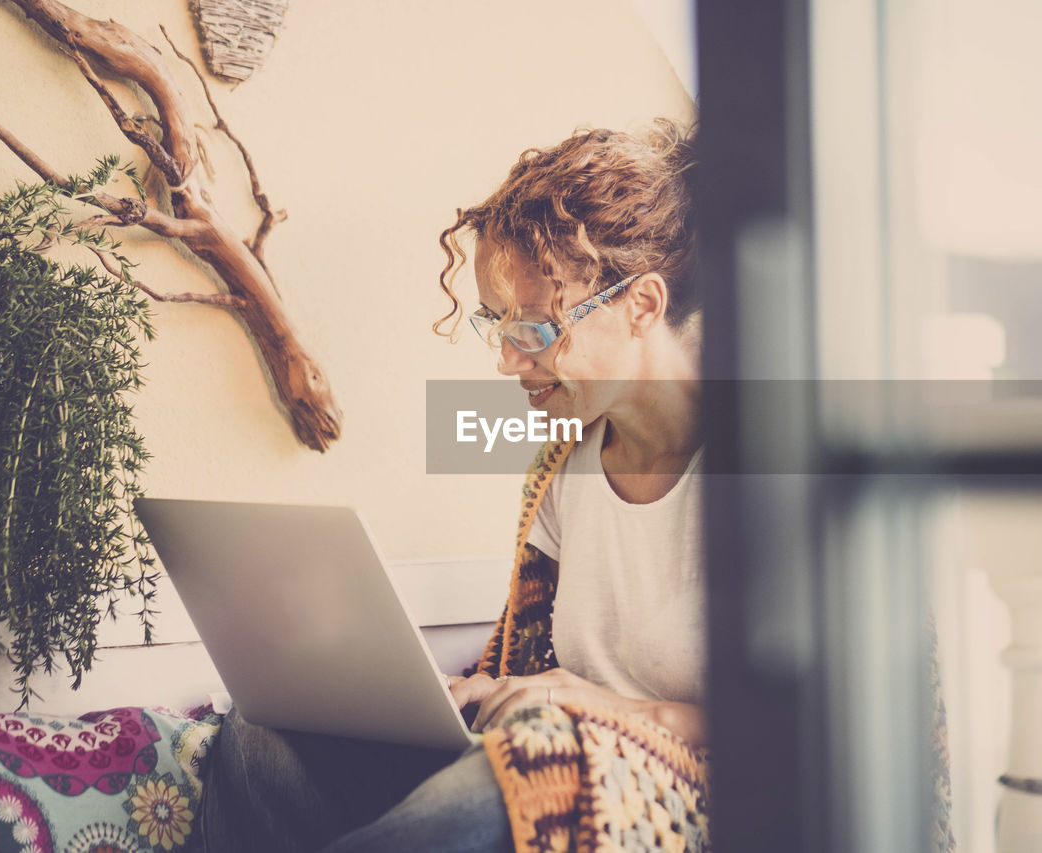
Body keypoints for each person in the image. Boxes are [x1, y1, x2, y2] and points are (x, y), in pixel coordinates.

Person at [194, 119, 710, 853]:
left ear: (643, 306)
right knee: (262, 731)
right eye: (496, 326)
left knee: (512, 785)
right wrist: (442, 698)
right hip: (545, 749)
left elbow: (819, 726)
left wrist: (616, 711)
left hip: (677, 791)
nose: (507, 361)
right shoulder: (564, 465)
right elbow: (521, 662)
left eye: (534, 329)